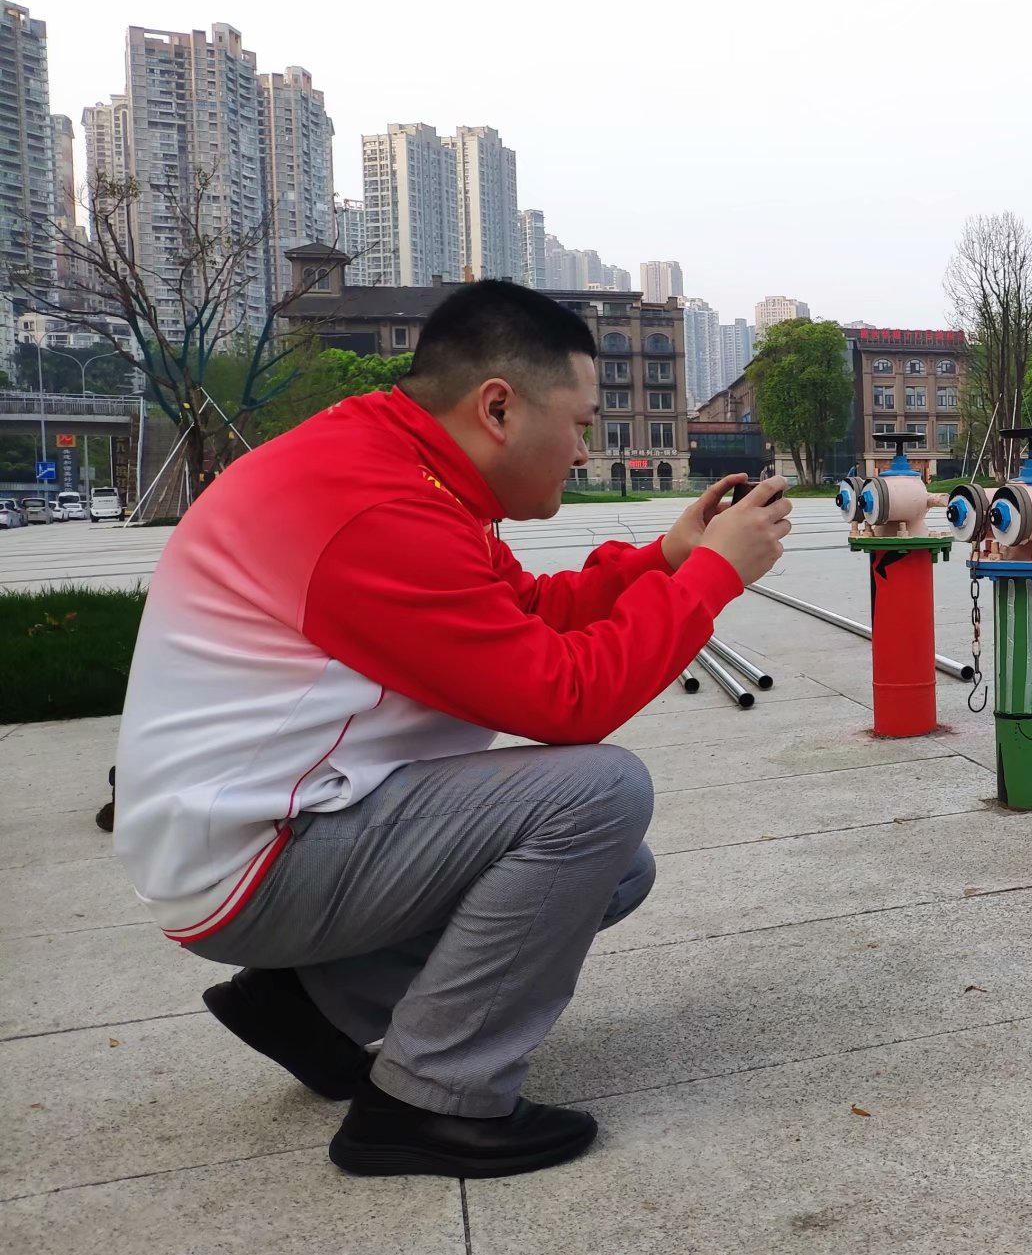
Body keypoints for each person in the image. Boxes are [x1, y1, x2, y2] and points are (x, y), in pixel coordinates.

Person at [114, 281, 792, 1180]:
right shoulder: (375, 508)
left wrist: (666, 560)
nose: (587, 447)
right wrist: (710, 580)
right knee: (598, 796)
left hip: (269, 824)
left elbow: (529, 616)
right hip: (254, 854)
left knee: (617, 866)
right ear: (500, 406)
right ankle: (425, 1100)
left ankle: (317, 1012)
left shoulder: (399, 468)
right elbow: (567, 698)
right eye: (581, 422)